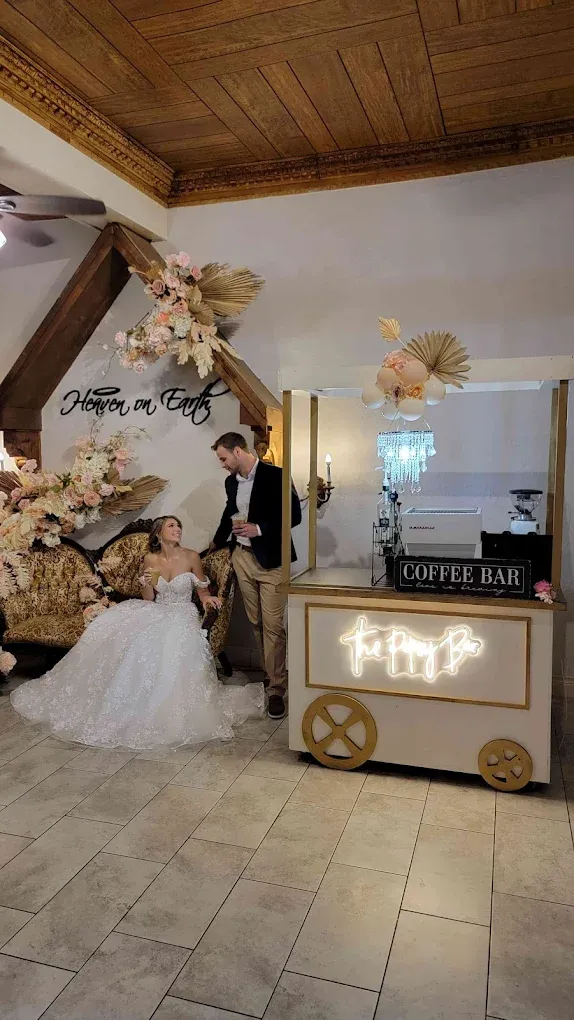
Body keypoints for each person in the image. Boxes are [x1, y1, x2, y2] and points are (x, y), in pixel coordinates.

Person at [11, 516, 264, 750]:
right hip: (157, 610)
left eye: (179, 527)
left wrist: (209, 600)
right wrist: (144, 585)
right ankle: (118, 702)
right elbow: (149, 599)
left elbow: (201, 590)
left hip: (182, 613)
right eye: (171, 526)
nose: (177, 530)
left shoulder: (191, 557)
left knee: (169, 642)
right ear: (159, 534)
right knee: (121, 635)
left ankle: (160, 707)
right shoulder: (150, 560)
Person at [211, 432, 301, 721]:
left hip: (272, 561)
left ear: (238, 451)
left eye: (224, 458)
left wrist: (258, 529)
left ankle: (276, 689)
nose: (222, 465)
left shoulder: (277, 475)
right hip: (242, 557)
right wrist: (216, 542)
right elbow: (229, 512)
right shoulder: (230, 482)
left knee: (274, 626)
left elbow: (295, 516)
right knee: (257, 623)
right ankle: (270, 675)